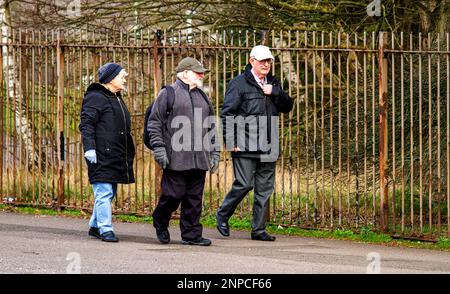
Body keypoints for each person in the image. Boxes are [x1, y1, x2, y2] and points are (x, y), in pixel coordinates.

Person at [216, 45, 293, 241]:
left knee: (264, 190)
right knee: (244, 184)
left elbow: (287, 106)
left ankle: (258, 230)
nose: (266, 64)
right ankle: (223, 214)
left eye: (269, 61)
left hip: (269, 144)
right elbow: (228, 113)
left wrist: (275, 92)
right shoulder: (238, 83)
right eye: (262, 61)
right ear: (252, 61)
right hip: (244, 143)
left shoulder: (274, 82)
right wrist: (231, 140)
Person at [148, 57, 220, 246]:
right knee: (173, 195)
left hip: (200, 158)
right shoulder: (168, 93)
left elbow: (211, 126)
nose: (202, 75)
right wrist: (159, 149)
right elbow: (154, 123)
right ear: (185, 73)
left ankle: (191, 235)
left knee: (194, 199)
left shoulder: (203, 96)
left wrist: (215, 152)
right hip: (176, 157)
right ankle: (160, 221)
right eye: (198, 72)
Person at [79, 63, 135, 243]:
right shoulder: (96, 97)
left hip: (115, 153)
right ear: (111, 79)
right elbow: (86, 124)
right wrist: (89, 148)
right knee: (103, 192)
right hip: (101, 153)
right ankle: (105, 229)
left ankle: (95, 226)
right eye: (121, 76)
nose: (124, 79)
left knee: (108, 192)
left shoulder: (115, 97)